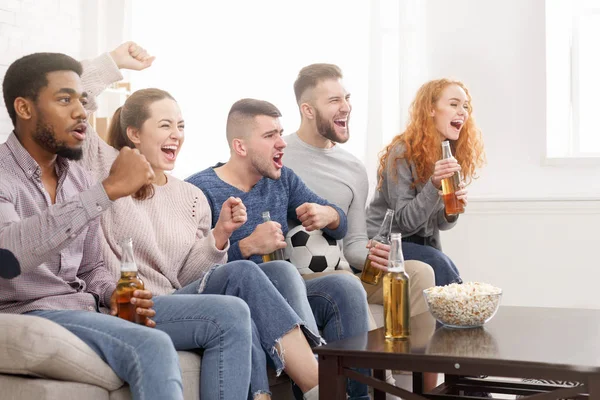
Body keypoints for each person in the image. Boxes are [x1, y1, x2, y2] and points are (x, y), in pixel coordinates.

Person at [80, 42, 321, 400]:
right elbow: (74, 96)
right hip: (133, 304)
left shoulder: (190, 197)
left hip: (179, 299)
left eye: (180, 125)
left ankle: (293, 384)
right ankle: (322, 386)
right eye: (165, 125)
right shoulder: (105, 170)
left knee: (275, 273)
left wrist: (220, 235)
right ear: (134, 133)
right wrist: (114, 62)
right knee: (242, 275)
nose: (177, 133)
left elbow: (189, 277)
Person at [0, 51, 184, 399]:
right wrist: (107, 191)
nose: (81, 112)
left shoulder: (79, 179)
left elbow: (92, 267)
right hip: (30, 312)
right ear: (24, 109)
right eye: (65, 99)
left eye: (82, 101)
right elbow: (8, 256)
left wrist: (110, 292)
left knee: (226, 314)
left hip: (83, 307)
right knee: (153, 345)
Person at [186, 98, 372, 400]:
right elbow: (192, 275)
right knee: (281, 270)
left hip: (283, 294)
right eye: (270, 135)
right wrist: (246, 247)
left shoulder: (281, 179)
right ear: (241, 147)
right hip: (238, 299)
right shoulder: (199, 191)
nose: (281, 143)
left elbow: (340, 226)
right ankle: (319, 384)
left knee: (345, 286)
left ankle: (356, 396)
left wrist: (331, 215)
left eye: (281, 132)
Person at [283, 62, 438, 393]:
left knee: (420, 272)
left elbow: (353, 243)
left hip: (345, 270)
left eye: (347, 97)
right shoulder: (281, 156)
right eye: (334, 100)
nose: (346, 107)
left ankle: (426, 387)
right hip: (302, 277)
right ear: (307, 109)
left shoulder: (352, 168)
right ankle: (384, 385)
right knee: (344, 283)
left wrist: (370, 252)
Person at [366, 78, 485, 285]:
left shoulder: (444, 153)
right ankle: (463, 312)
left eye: (465, 106)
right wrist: (434, 184)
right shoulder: (402, 152)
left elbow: (438, 224)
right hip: (388, 243)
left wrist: (451, 210)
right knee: (441, 265)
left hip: (424, 245)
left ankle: (460, 312)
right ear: (431, 109)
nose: (463, 112)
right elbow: (405, 221)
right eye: (454, 104)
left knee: (441, 263)